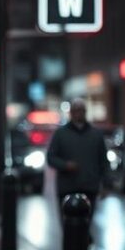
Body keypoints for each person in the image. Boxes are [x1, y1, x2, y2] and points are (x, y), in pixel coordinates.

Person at [46, 98, 108, 238]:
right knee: (68, 225)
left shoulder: (96, 135)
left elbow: (103, 161)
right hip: (67, 187)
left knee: (86, 222)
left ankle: (83, 244)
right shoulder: (60, 134)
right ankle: (72, 249)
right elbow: (51, 158)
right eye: (76, 110)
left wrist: (105, 184)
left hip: (89, 186)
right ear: (71, 113)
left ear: (85, 112)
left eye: (82, 110)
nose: (79, 113)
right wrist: (65, 165)